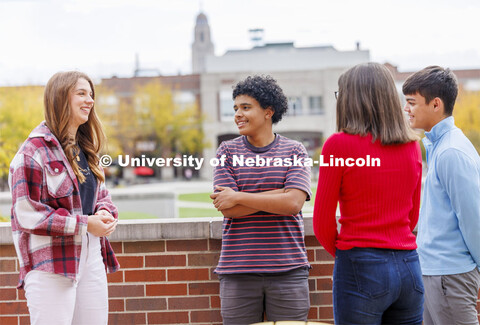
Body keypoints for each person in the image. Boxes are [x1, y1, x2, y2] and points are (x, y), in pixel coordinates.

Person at [313, 62, 424, 324]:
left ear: (351, 100)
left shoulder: (337, 145)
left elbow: (321, 223)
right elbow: (413, 215)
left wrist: (351, 257)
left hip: (361, 263)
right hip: (409, 265)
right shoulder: (412, 146)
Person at [8, 71, 120, 325]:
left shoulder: (86, 149)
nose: (90, 100)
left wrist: (104, 213)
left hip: (91, 256)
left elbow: (101, 196)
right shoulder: (32, 152)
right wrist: (85, 223)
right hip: (51, 265)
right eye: (81, 93)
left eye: (91, 94)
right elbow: (27, 213)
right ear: (60, 98)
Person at [210, 75, 311, 325]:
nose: (237, 115)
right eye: (235, 108)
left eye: (246, 107)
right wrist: (281, 193)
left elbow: (293, 204)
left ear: (268, 112)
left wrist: (239, 196)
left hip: (289, 270)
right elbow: (228, 209)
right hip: (238, 272)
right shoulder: (226, 152)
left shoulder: (295, 151)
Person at [403, 66, 480, 324]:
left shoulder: (451, 153)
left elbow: (473, 219)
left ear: (436, 104)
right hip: (438, 275)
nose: (407, 109)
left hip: (450, 276)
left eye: (412, 102)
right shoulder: (439, 146)